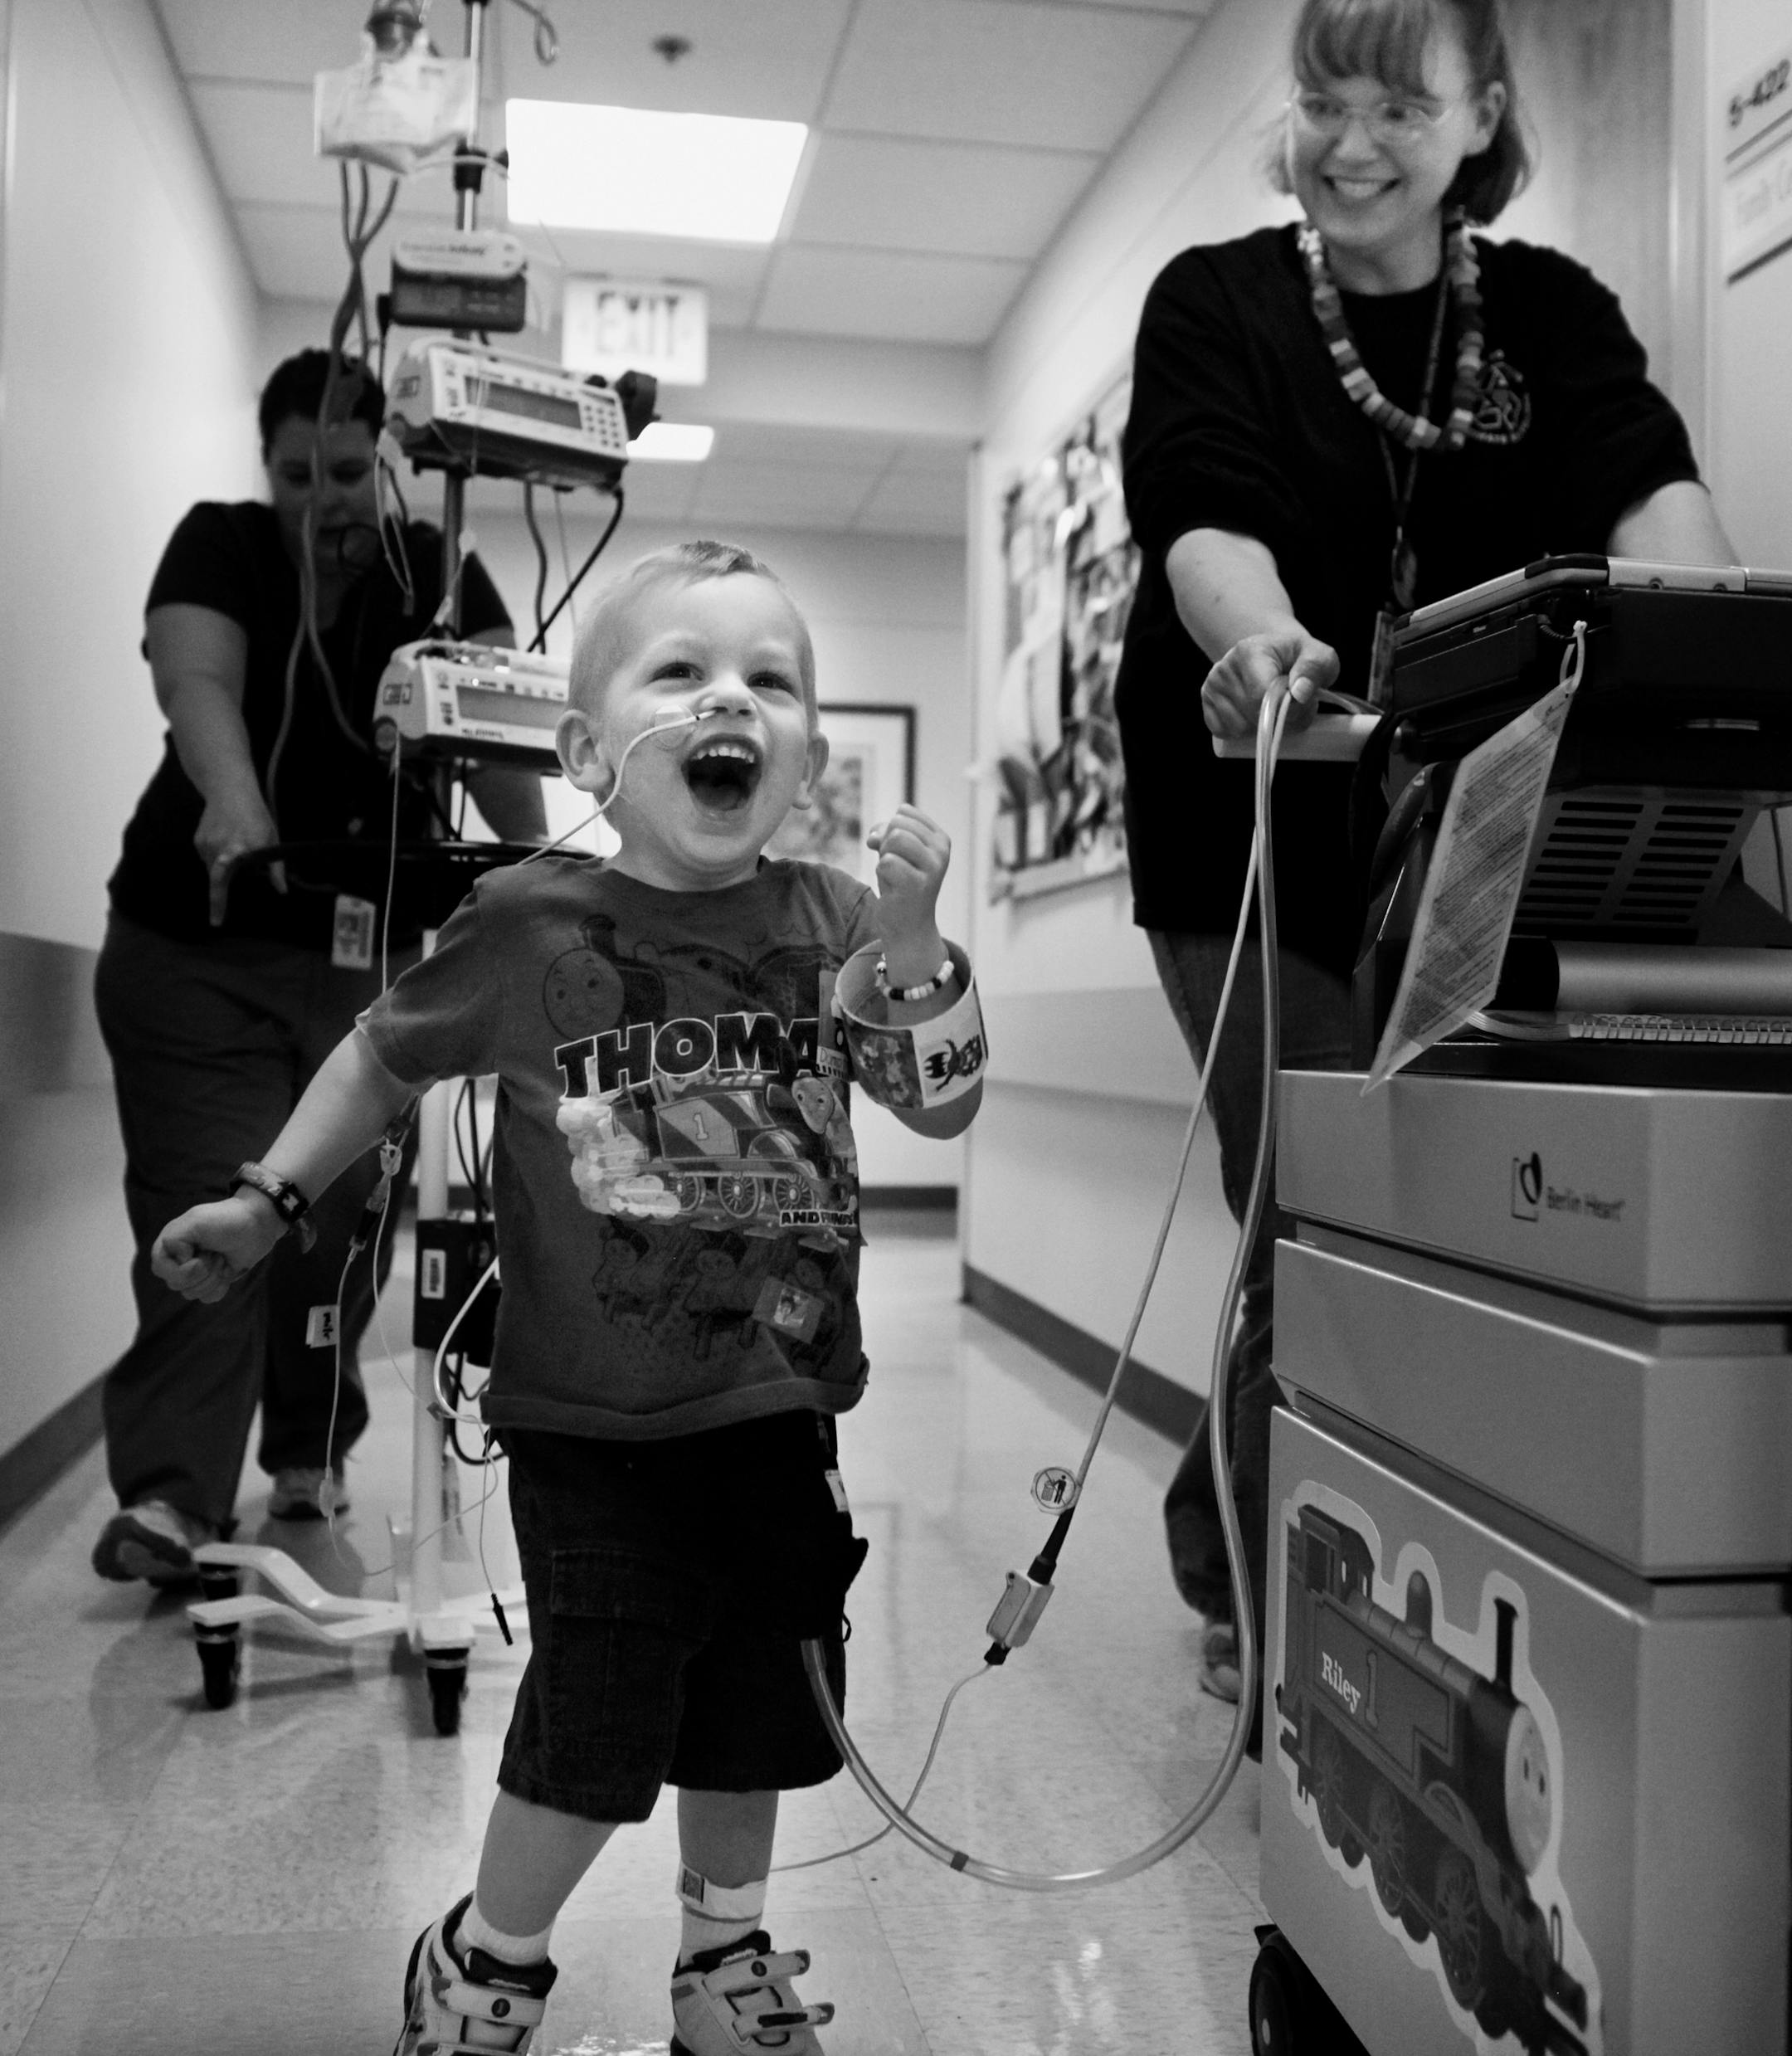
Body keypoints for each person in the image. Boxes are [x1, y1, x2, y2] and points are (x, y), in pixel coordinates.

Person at [149, 540, 982, 2056]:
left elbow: (942, 1101)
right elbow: (381, 1056)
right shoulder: (526, 924)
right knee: (596, 1720)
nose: (730, 699)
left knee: (760, 1708)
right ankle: (488, 1960)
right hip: (591, 1422)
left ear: (803, 757)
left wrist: (917, 942)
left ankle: (722, 1958)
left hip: (780, 1407)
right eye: (683, 670)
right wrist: (271, 1198)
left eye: (770, 679)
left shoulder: (839, 921)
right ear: (592, 753)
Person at [1113, 0, 1735, 1723]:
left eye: (1401, 103)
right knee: (1309, 1204)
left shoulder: (1547, 313)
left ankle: (1298, 1526)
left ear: (1482, 117)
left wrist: (1729, 640)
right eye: (1326, 99)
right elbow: (1201, 514)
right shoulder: (1217, 301)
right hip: (1252, 812)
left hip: (1468, 825)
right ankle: (1268, 1586)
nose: (1354, 141)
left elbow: (1650, 496)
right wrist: (1258, 643)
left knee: (1427, 1204)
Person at [91, 348, 544, 1586]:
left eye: (348, 472)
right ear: (267, 468)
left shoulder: (438, 571)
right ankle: (174, 1497)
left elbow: (501, 738)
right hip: (197, 950)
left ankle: (307, 1453)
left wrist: (545, 873)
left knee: (335, 1216)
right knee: (211, 1204)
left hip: (368, 958)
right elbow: (197, 679)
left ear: (390, 463)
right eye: (297, 474)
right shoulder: (223, 546)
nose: (323, 498)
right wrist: (233, 798)